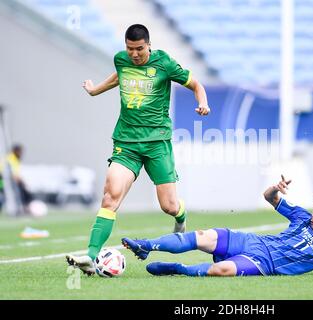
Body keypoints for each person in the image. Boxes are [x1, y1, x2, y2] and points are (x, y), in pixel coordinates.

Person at [66, 24, 210, 275]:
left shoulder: (164, 64)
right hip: (126, 142)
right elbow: (119, 76)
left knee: (169, 206)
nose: (134, 54)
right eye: (130, 49)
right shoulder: (121, 60)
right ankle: (90, 256)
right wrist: (95, 90)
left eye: (139, 49)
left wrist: (203, 103)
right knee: (110, 196)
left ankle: (181, 215)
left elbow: (195, 84)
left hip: (157, 143)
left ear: (149, 45)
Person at [122, 175, 313, 277]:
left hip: (263, 262)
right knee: (204, 235)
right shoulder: (301, 217)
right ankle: (146, 246)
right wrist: (275, 187)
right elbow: (269, 197)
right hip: (255, 242)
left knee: (220, 271)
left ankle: (180, 270)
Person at [0, 144, 34, 212]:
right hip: (3, 182)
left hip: (6, 181)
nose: (21, 153)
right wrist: (23, 184)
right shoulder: (12, 159)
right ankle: (23, 209)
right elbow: (14, 175)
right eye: (20, 151)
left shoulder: (13, 159)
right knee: (22, 193)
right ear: (15, 151)